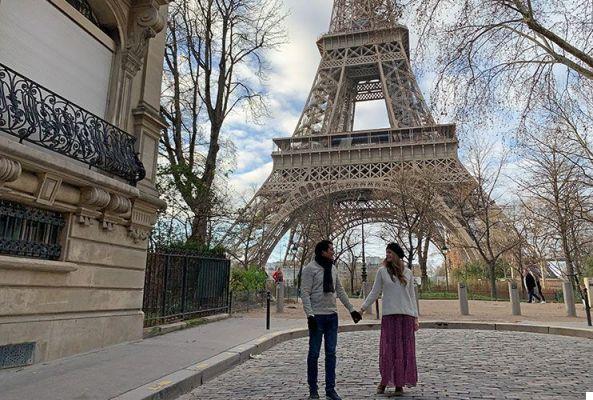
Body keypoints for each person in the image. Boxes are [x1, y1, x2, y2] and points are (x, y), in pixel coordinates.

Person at [301, 240, 362, 400]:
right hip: (317, 317)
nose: (333, 252)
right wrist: (310, 315)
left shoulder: (333, 268)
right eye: (331, 249)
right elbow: (305, 293)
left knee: (331, 354)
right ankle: (313, 390)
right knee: (314, 354)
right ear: (322, 251)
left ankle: (330, 389)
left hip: (332, 316)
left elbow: (340, 290)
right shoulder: (310, 269)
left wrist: (351, 310)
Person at [359, 242, 419, 397]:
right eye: (387, 253)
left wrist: (416, 318)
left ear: (397, 255)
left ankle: (399, 383)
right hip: (389, 317)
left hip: (406, 316)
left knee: (403, 352)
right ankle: (384, 380)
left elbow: (412, 296)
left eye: (390, 253)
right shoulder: (382, 272)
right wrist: (362, 308)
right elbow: (374, 292)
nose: (388, 255)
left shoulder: (408, 273)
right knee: (388, 351)